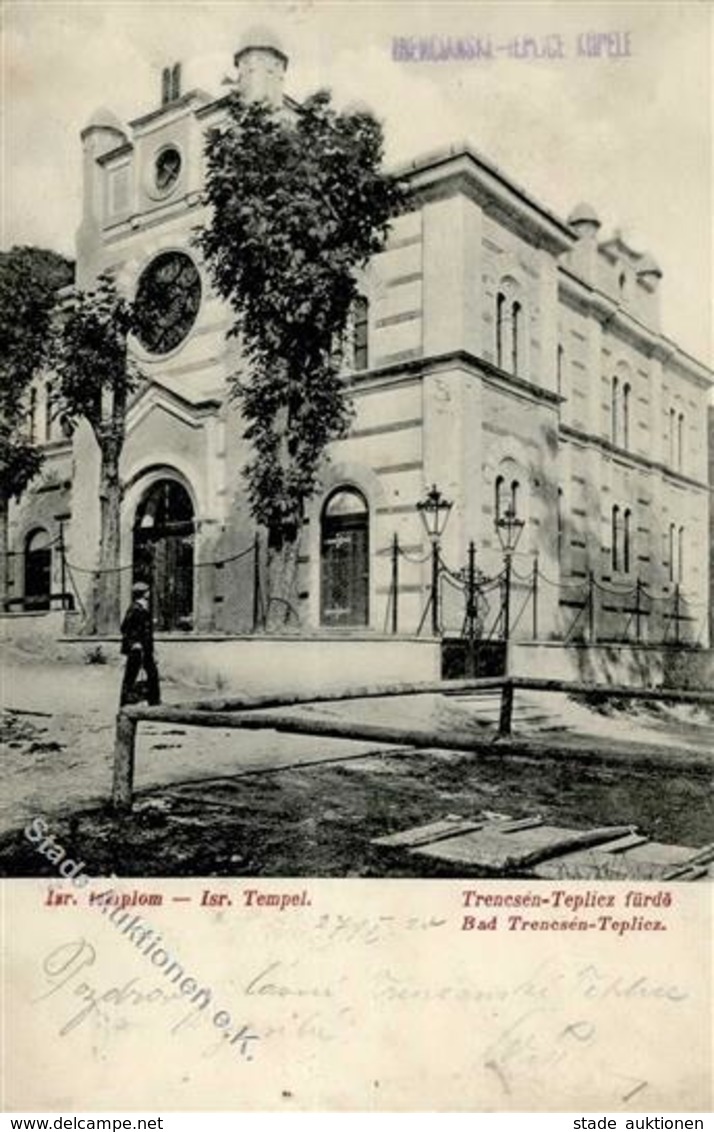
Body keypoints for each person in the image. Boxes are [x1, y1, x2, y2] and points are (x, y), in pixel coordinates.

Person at [119, 581, 161, 707]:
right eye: (147, 591)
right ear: (143, 594)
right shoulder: (135, 609)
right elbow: (125, 628)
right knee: (131, 675)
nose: (149, 593)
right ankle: (125, 702)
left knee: (152, 674)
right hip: (137, 649)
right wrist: (134, 642)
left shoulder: (143, 608)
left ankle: (154, 702)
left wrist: (152, 649)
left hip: (146, 649)